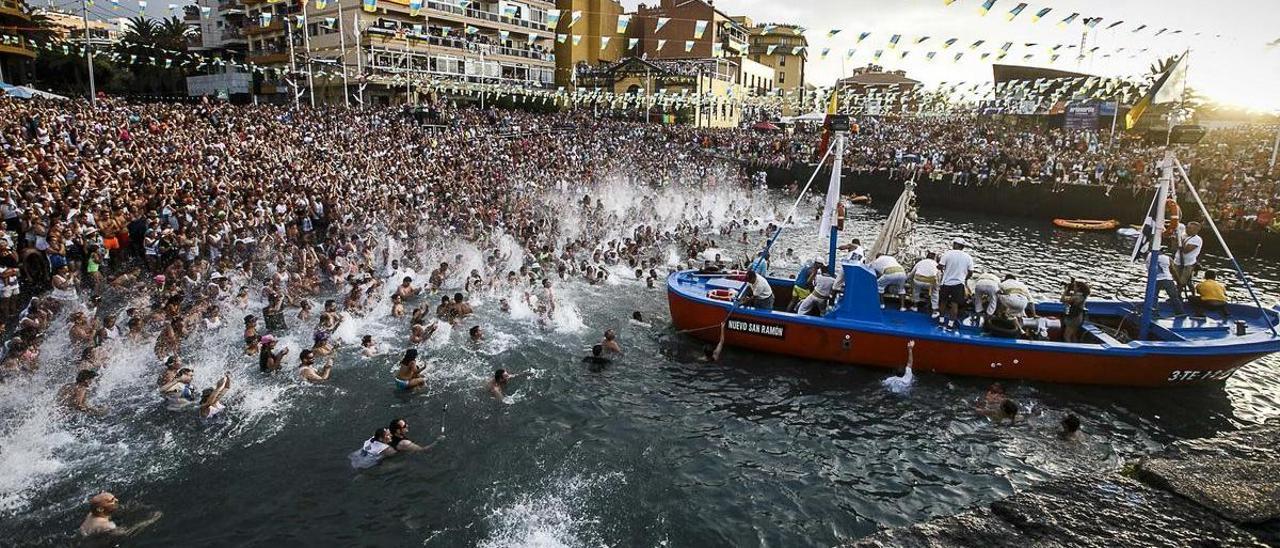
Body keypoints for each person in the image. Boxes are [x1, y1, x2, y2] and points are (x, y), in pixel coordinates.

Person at [79, 492, 162, 537]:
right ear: (100, 509)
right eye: (111, 500)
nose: (117, 500)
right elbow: (127, 532)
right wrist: (149, 521)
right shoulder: (107, 526)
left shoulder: (91, 514)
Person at [938, 238, 974, 330]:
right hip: (959, 284)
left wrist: (941, 268)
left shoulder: (948, 254)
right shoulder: (968, 257)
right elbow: (971, 272)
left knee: (943, 302)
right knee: (955, 304)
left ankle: (941, 322)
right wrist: (965, 278)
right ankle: (950, 324)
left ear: (956, 245)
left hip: (946, 282)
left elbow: (940, 266)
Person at [1173, 221, 1202, 295]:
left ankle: (1177, 296)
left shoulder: (1197, 239)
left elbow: (1186, 250)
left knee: (1182, 282)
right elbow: (1174, 247)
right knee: (1179, 280)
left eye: (1190, 228)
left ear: (1196, 230)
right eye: (1187, 227)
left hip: (1188, 264)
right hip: (1178, 261)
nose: (1187, 229)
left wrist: (1179, 241)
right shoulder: (1183, 235)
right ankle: (1191, 294)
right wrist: (1175, 239)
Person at [1152, 250, 1185, 316]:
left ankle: (1154, 313)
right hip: (1167, 278)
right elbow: (1173, 270)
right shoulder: (1167, 258)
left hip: (1154, 280)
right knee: (1174, 297)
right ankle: (1180, 312)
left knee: (1154, 297)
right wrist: (1179, 281)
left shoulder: (1150, 257)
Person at [1060, 279, 1090, 343]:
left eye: (1075, 286)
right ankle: (1076, 347)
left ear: (1078, 288)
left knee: (1066, 336)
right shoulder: (1082, 295)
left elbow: (1062, 299)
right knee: (1073, 335)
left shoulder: (1077, 296)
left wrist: (1066, 290)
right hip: (1078, 317)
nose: (1073, 287)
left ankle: (1068, 350)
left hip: (1074, 318)